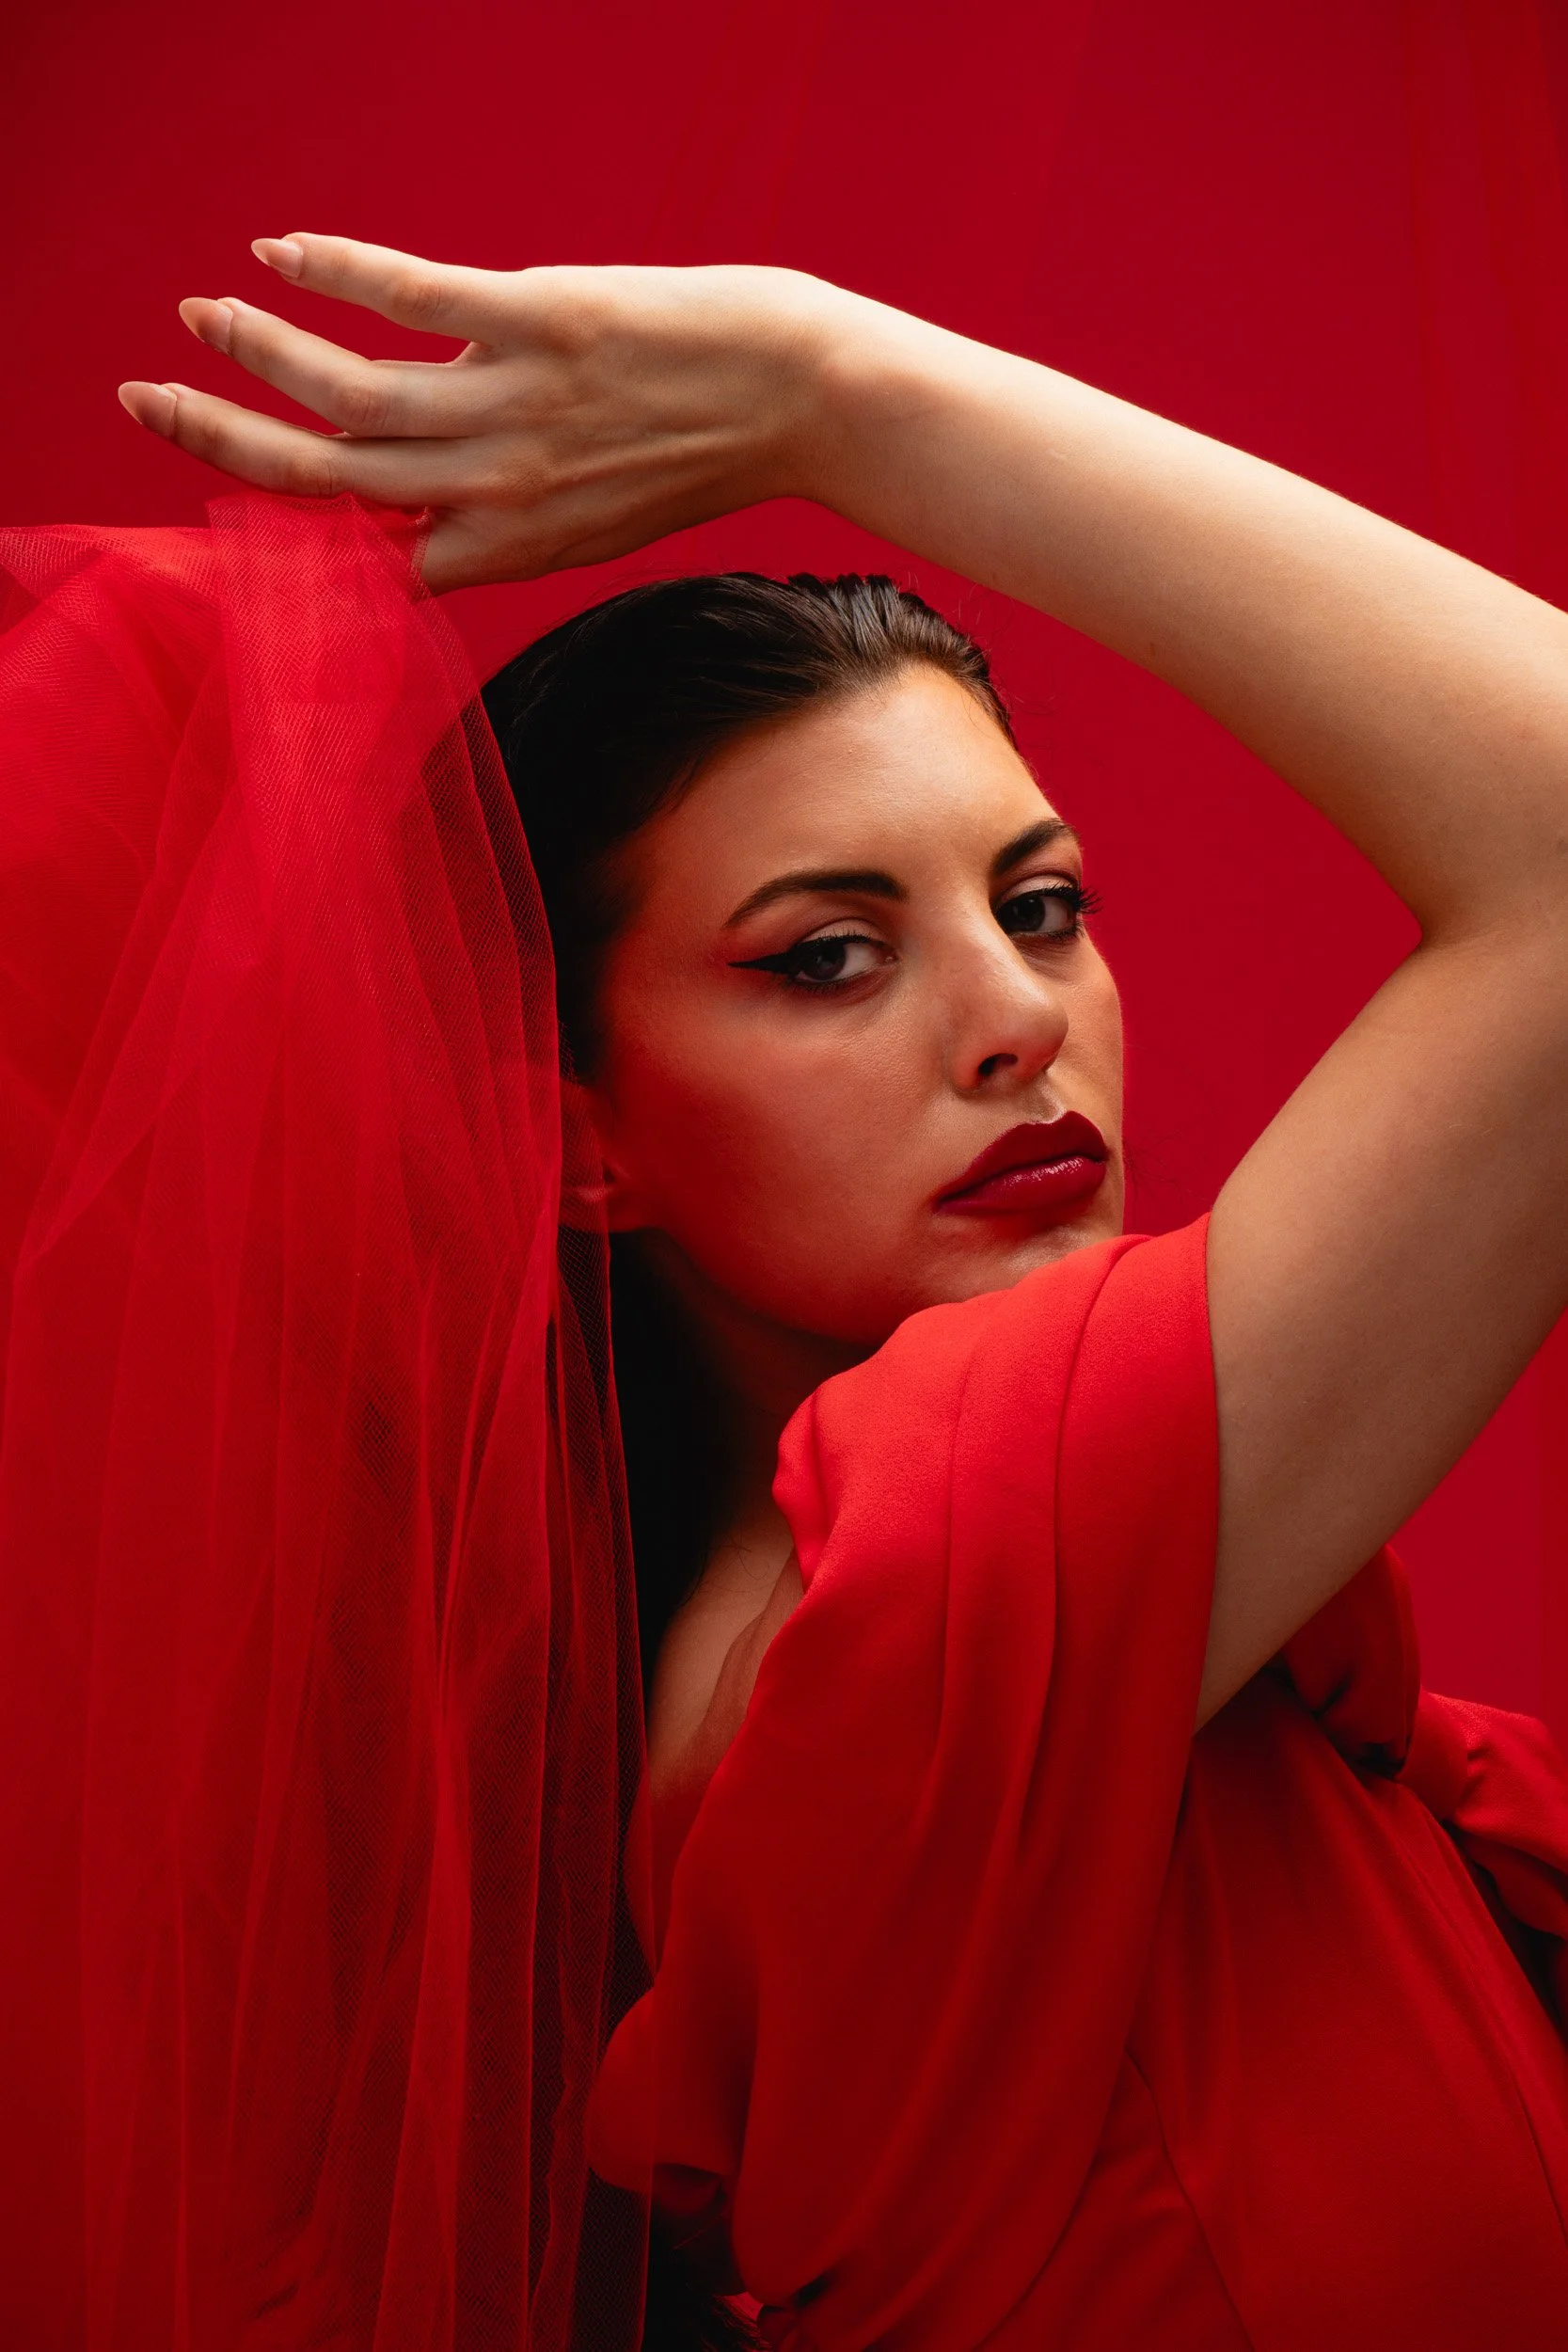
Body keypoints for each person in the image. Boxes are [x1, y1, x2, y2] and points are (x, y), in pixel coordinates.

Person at [43, 235, 1568, 2344]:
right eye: (822, 955)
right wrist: (827, 385)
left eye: (1037, 905)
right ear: (572, 1137)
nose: (1014, 1019)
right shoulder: (916, 1591)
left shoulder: (933, 1626)